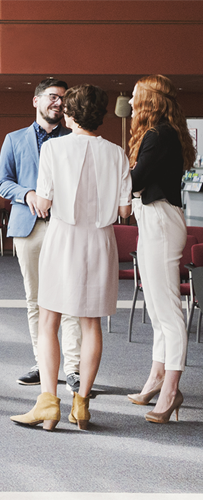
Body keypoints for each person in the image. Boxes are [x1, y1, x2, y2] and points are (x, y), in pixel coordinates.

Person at [11, 84, 132, 431]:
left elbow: (44, 201)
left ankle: (49, 403)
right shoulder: (117, 154)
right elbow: (125, 210)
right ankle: (81, 405)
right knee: (91, 323)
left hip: (63, 238)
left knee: (50, 320)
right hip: (101, 242)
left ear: (70, 114)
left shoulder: (53, 148)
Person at [0, 78, 83, 392]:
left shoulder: (74, 139)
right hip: (27, 228)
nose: (58, 103)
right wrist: (28, 194)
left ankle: (73, 369)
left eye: (63, 98)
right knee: (35, 300)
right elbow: (2, 182)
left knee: (71, 300)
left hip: (65, 227)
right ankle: (43, 363)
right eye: (52, 97)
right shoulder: (14, 139)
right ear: (36, 101)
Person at [126, 75, 196, 423]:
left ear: (150, 100)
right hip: (155, 221)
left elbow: (135, 182)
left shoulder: (158, 135)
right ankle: (156, 377)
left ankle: (171, 389)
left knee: (168, 312)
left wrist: (119, 173)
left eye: (137, 96)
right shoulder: (163, 133)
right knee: (156, 309)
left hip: (160, 222)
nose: (132, 101)